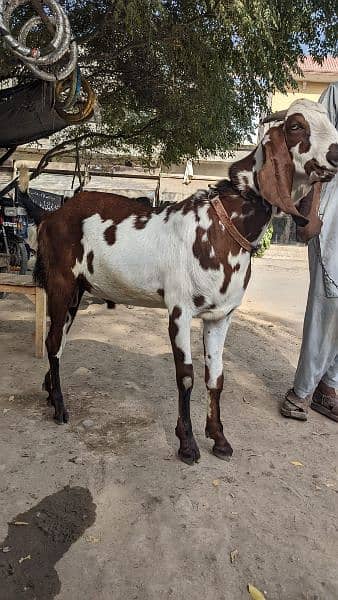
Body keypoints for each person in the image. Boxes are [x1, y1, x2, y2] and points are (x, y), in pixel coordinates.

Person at [281, 81, 338, 422]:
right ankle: (300, 392)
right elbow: (317, 152)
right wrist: (311, 212)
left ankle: (328, 387)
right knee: (327, 302)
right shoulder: (335, 94)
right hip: (330, 213)